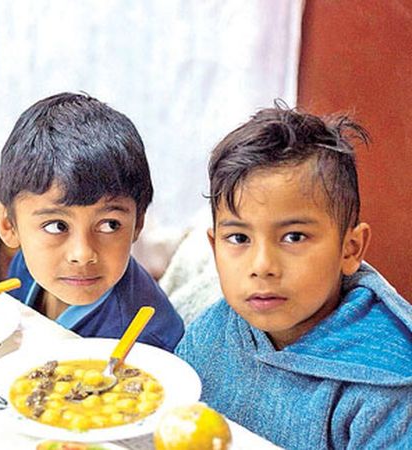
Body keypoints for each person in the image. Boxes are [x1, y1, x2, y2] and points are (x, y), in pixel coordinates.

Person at [175, 104, 412, 449]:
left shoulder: (386, 387)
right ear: (214, 247)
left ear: (350, 249)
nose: (262, 265)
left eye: (294, 237)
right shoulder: (209, 335)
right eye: (239, 238)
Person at [0, 92, 184, 351]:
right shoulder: (25, 266)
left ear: (138, 224)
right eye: (57, 226)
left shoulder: (148, 344)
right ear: (8, 225)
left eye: (109, 225)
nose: (82, 254)